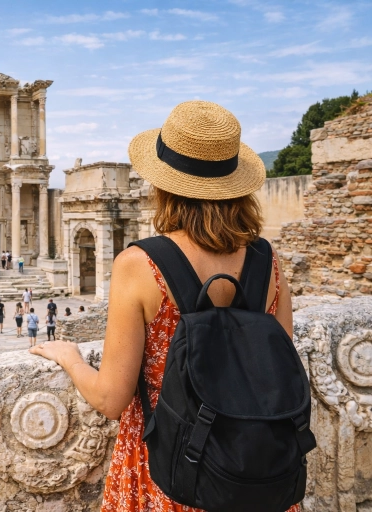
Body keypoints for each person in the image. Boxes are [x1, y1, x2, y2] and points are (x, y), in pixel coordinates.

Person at [29, 101, 300, 511]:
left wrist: (71, 359)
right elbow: (277, 370)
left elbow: (111, 400)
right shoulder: (269, 261)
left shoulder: (139, 264)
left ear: (164, 184)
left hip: (172, 471)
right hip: (257, 472)